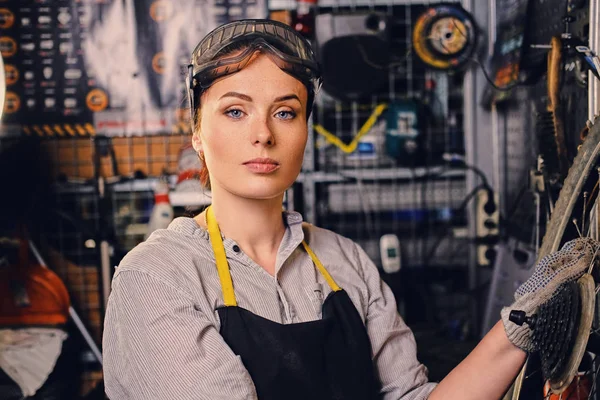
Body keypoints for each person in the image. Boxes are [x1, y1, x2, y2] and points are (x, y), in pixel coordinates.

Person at [102, 18, 598, 399]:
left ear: (304, 133)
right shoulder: (157, 277)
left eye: (285, 111)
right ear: (196, 135)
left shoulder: (344, 262)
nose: (262, 133)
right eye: (235, 110)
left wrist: (516, 329)